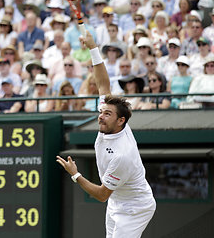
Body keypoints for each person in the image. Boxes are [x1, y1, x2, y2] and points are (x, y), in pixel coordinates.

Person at [56, 31, 156, 237]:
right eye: (101, 112)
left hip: (135, 208)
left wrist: (75, 174)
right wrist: (93, 48)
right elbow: (103, 83)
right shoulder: (113, 120)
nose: (101, 116)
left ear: (121, 121)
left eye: (107, 114)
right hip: (117, 200)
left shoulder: (122, 155)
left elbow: (101, 194)